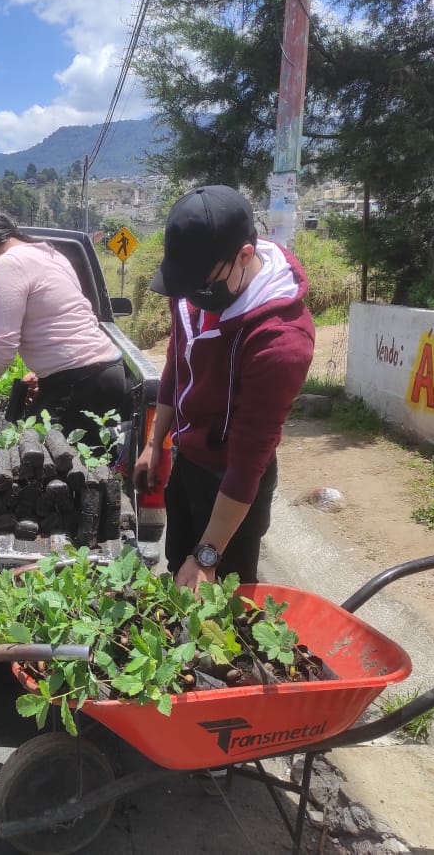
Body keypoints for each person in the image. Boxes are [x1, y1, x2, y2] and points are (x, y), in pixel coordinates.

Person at [132, 185, 314, 591]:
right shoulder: (194, 289)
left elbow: (249, 460)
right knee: (177, 570)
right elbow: (177, 363)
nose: (192, 296)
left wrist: (209, 554)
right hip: (188, 462)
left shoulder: (280, 343)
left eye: (200, 284)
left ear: (244, 257)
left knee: (227, 604)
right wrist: (154, 441)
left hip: (234, 481)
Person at [0, 209, 124, 444]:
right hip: (108, 372)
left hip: (79, 382)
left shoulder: (8, 263)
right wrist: (44, 372)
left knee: (51, 471)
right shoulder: (51, 255)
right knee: (90, 471)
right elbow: (65, 318)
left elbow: (2, 347)